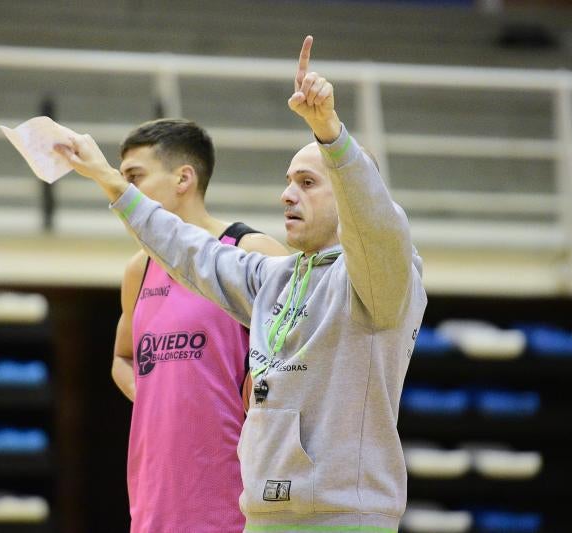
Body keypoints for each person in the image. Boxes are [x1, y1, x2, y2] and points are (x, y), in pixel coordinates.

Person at [57, 35, 427, 533]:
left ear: (348, 195)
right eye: (289, 181)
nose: (286, 195)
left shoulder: (384, 278)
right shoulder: (272, 278)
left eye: (308, 183)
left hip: (342, 517)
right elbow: (190, 250)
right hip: (262, 515)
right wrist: (109, 181)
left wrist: (330, 135)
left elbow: (379, 223)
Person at [109, 118, 289, 533]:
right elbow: (122, 358)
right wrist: (161, 394)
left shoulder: (253, 252)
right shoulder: (139, 269)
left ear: (183, 178)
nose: (122, 192)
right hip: (155, 501)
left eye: (135, 177)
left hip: (235, 502)